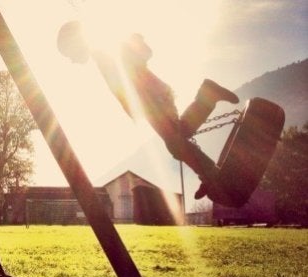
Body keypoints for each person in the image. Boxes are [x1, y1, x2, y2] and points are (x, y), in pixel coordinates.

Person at [57, 21, 240, 202]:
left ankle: (211, 174)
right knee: (180, 135)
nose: (71, 60)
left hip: (153, 100)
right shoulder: (100, 52)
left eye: (69, 54)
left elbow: (134, 63)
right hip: (153, 99)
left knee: (175, 143)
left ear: (75, 42)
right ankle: (208, 98)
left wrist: (134, 44)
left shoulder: (102, 50)